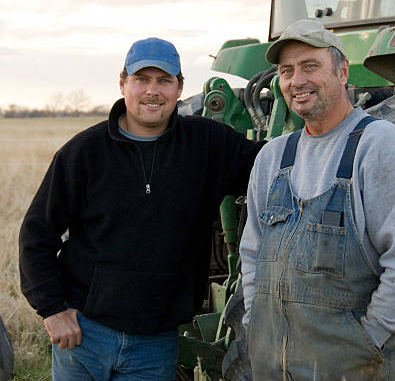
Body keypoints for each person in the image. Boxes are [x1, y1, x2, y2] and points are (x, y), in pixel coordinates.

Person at [19, 37, 263, 380]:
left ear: (179, 88)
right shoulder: (83, 154)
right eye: (142, 79)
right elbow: (36, 235)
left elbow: (270, 168)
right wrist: (52, 310)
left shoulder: (208, 145)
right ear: (123, 84)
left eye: (164, 80)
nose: (153, 91)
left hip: (155, 343)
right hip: (84, 337)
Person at [239, 19, 395, 380]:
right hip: (274, 367)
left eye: (310, 66)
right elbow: (252, 253)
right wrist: (258, 327)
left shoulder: (379, 146)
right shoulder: (273, 157)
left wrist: (367, 342)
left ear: (343, 71)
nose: (296, 80)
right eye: (287, 71)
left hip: (354, 368)